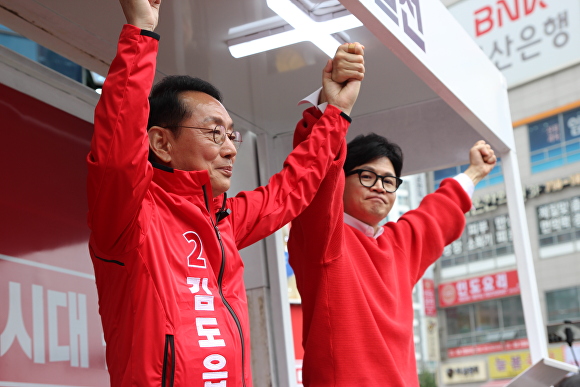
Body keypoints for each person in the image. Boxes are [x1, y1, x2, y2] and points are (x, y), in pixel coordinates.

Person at [86, 0, 364, 385]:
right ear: (162, 143)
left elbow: (291, 190)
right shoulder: (130, 219)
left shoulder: (225, 221)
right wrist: (141, 31)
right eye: (214, 132)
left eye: (230, 133)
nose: (231, 147)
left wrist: (334, 112)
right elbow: (116, 155)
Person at [288, 128, 496, 385]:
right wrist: (331, 110)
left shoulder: (398, 245)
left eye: (389, 181)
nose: (379, 187)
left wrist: (474, 173)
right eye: (367, 176)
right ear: (339, 180)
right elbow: (316, 174)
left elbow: (435, 213)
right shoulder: (323, 235)